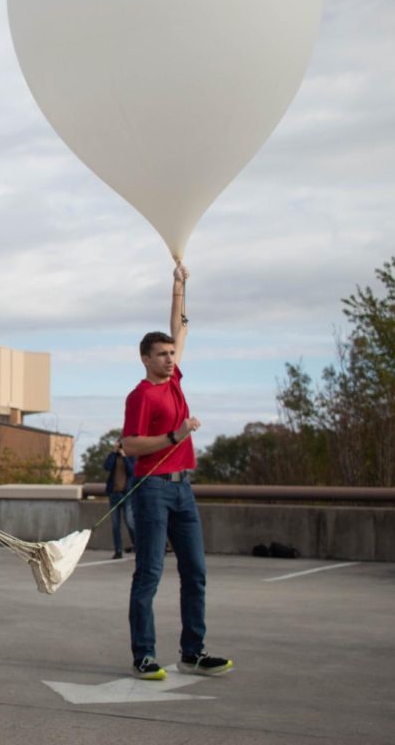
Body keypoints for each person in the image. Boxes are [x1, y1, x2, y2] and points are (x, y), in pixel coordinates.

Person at [121, 262, 232, 681]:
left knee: (195, 573)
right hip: (151, 490)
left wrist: (179, 286)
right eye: (162, 354)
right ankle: (144, 656)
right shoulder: (142, 396)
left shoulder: (174, 379)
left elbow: (180, 327)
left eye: (172, 354)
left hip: (184, 489)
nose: (170, 358)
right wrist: (174, 436)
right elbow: (130, 445)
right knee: (149, 573)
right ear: (145, 359)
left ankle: (193, 652)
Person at [102, 441, 136, 559]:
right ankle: (118, 550)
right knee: (115, 525)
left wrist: (125, 456)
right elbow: (106, 467)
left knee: (130, 522)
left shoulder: (131, 457)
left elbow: (132, 471)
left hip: (126, 494)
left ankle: (137, 546)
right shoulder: (113, 456)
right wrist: (113, 452)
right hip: (113, 494)